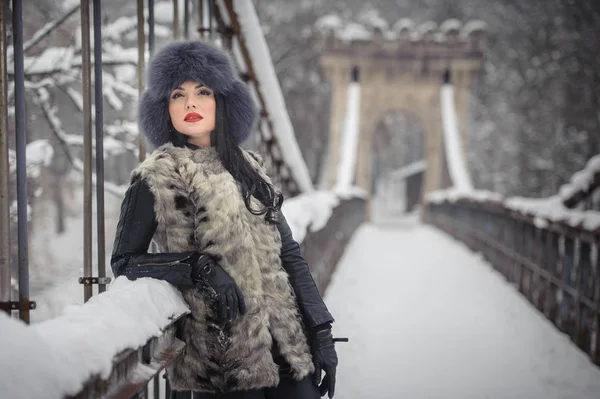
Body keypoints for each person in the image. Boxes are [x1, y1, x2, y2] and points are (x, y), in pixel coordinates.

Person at [110, 40, 339, 399]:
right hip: (221, 365)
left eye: (203, 91)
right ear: (163, 108)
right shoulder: (156, 176)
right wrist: (199, 267)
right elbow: (124, 261)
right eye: (177, 94)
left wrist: (322, 333)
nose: (190, 103)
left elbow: (290, 255)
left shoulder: (249, 168)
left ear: (222, 101)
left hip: (287, 350)